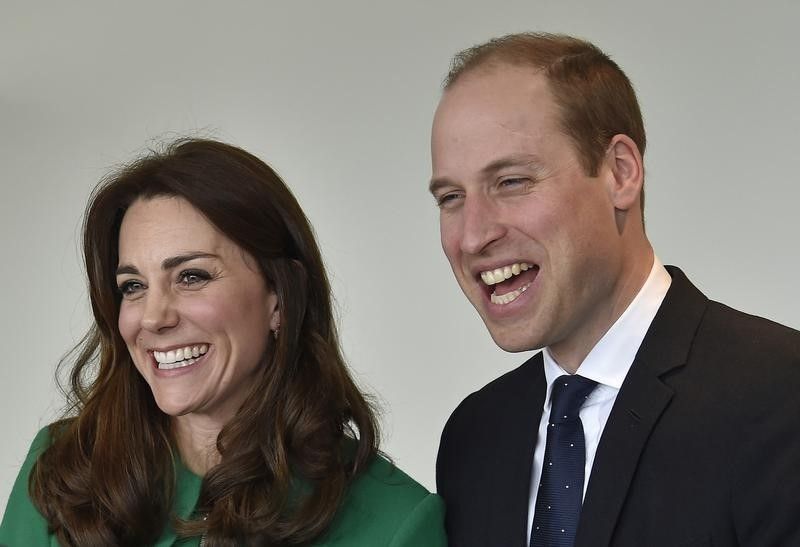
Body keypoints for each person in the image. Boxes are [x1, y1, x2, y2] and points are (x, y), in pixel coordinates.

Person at [430, 33, 800, 547]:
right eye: (451, 197)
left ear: (619, 173)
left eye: (511, 182)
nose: (473, 235)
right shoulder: (474, 438)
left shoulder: (780, 394)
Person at [0, 138, 446, 546]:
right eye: (133, 286)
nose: (153, 317)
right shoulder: (61, 470)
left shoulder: (395, 525)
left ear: (280, 299)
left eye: (191, 276)